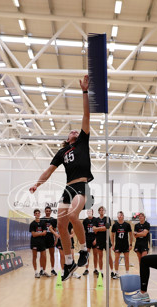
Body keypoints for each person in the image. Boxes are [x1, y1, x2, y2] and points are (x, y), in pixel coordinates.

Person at [29, 75, 92, 281]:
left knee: (74, 216)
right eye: (71, 131)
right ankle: (68, 262)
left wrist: (84, 91)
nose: (74, 130)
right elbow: (48, 171)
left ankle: (83, 249)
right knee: (61, 225)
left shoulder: (82, 141)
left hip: (81, 185)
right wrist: (37, 185)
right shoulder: (62, 152)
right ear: (67, 138)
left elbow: (86, 115)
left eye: (76, 129)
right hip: (67, 188)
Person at [111, 211, 133, 279]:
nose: (120, 216)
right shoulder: (115, 225)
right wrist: (112, 245)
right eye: (119, 215)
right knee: (116, 258)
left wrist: (130, 244)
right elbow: (112, 235)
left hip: (125, 244)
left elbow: (130, 235)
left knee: (126, 259)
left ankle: (127, 273)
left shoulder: (127, 225)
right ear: (117, 217)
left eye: (121, 215)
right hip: (118, 244)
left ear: (123, 216)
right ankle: (117, 273)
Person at [92, 206, 111, 277]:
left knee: (109, 256)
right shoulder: (96, 220)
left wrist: (98, 229)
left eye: (103, 210)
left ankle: (112, 271)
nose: (102, 211)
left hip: (106, 239)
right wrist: (100, 228)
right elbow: (94, 229)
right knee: (100, 256)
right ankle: (101, 272)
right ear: (98, 211)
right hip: (99, 240)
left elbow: (106, 228)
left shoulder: (107, 218)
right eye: (100, 210)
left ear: (105, 211)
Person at [30, 209, 49, 278]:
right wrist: (41, 233)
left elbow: (45, 233)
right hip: (34, 242)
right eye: (36, 213)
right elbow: (33, 235)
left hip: (42, 242)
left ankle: (42, 271)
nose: (37, 214)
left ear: (40, 214)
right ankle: (36, 272)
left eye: (38, 213)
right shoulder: (32, 224)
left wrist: (37, 233)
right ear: (34, 214)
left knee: (43, 256)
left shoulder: (43, 223)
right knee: (34, 257)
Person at [41, 206, 58, 276]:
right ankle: (42, 270)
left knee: (52, 255)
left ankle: (52, 269)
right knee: (43, 255)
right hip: (43, 239)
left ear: (51, 212)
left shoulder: (53, 220)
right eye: (46, 210)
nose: (48, 212)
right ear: (45, 211)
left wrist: (56, 239)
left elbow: (55, 230)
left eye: (49, 211)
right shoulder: (41, 219)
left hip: (51, 238)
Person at [82, 209, 98, 276]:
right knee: (87, 255)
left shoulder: (96, 220)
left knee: (95, 255)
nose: (89, 213)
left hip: (94, 239)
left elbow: (98, 230)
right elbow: (83, 231)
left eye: (90, 211)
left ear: (92, 212)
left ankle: (95, 269)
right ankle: (86, 269)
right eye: (88, 212)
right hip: (87, 240)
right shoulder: (85, 221)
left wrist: (96, 239)